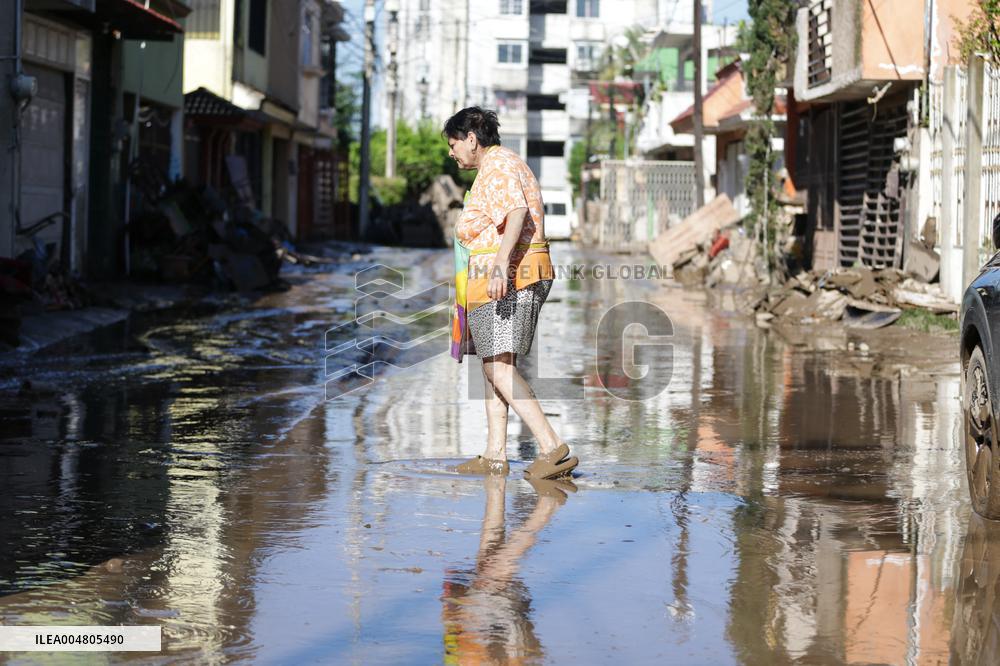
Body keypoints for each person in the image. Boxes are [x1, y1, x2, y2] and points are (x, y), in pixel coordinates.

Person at [444, 106, 578, 480]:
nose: (451, 153)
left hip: (510, 276)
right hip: (498, 277)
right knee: (494, 368)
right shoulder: (495, 166)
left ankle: (554, 449)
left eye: (454, 144)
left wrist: (501, 264)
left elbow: (516, 213)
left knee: (499, 369)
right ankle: (495, 454)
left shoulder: (499, 164)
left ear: (472, 139)